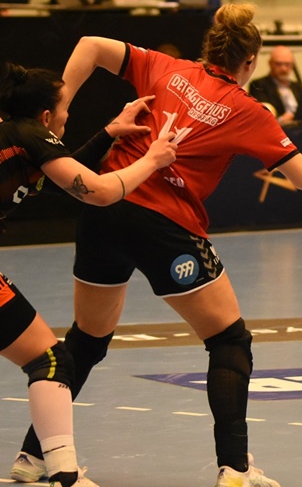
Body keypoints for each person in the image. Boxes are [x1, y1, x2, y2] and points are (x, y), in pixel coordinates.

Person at [10, 4, 302, 487]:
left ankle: (34, 455)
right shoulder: (247, 110)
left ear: (210, 47)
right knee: (228, 340)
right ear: (250, 62)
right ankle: (235, 470)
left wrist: (59, 114)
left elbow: (90, 46)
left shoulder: (166, 67)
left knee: (87, 338)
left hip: (106, 208)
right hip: (164, 225)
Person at [1, 61, 177, 487]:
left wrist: (110, 132)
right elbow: (97, 191)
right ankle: (64, 475)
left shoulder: (15, 136)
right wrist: (152, 160)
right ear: (47, 116)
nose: (67, 117)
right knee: (50, 360)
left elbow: (65, 174)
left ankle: (37, 462)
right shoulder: (32, 135)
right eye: (65, 110)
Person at [248, 45, 302, 124]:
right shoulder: (259, 85)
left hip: (301, 126)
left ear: (292, 65)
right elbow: (263, 114)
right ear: (270, 64)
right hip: (277, 126)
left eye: (287, 64)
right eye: (279, 64)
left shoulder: (298, 87)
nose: (283, 69)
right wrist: (281, 119)